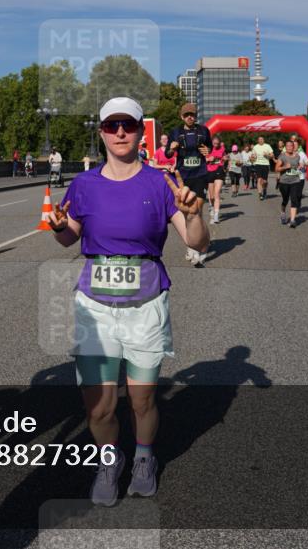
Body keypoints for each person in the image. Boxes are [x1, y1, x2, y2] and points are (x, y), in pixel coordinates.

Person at [47, 97, 208, 507]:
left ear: (140, 131)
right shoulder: (84, 184)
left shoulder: (159, 182)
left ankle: (143, 457)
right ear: (101, 132)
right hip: (95, 310)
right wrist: (60, 227)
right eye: (111, 125)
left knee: (142, 399)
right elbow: (69, 235)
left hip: (145, 305)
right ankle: (108, 462)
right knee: (99, 408)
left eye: (129, 125)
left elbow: (196, 242)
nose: (120, 133)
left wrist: (193, 214)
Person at [165, 103, 211, 266]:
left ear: (196, 116)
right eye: (186, 115)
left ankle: (201, 247)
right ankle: (191, 244)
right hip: (182, 176)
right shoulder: (175, 132)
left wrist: (208, 151)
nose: (190, 117)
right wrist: (171, 149)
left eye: (192, 114)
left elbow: (210, 148)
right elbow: (167, 153)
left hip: (199, 174)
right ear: (181, 117)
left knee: (197, 211)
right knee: (185, 212)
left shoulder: (204, 131)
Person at [275, 139, 305, 228]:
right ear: (285, 147)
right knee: (285, 200)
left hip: (295, 181)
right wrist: (285, 167)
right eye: (287, 146)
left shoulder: (297, 156)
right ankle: (283, 213)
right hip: (284, 182)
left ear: (293, 147)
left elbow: (298, 165)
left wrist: (300, 166)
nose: (289, 147)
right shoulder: (282, 156)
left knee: (294, 200)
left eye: (291, 146)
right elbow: (277, 169)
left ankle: (292, 220)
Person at [205, 135, 225, 225]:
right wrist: (209, 158)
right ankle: (211, 207)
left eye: (217, 143)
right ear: (212, 142)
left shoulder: (222, 149)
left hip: (219, 170)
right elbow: (202, 160)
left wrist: (225, 159)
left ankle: (216, 214)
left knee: (217, 193)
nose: (216, 145)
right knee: (212, 196)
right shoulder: (207, 149)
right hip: (209, 171)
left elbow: (225, 157)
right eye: (214, 143)